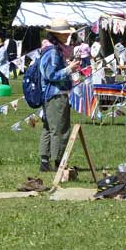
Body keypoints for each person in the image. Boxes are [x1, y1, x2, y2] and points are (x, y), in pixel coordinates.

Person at [39, 18, 80, 172]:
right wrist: (69, 69)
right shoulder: (53, 52)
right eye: (65, 33)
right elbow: (52, 75)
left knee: (48, 127)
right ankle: (58, 163)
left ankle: (44, 161)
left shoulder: (50, 49)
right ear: (57, 35)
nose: (67, 36)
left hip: (50, 95)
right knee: (60, 129)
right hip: (56, 95)